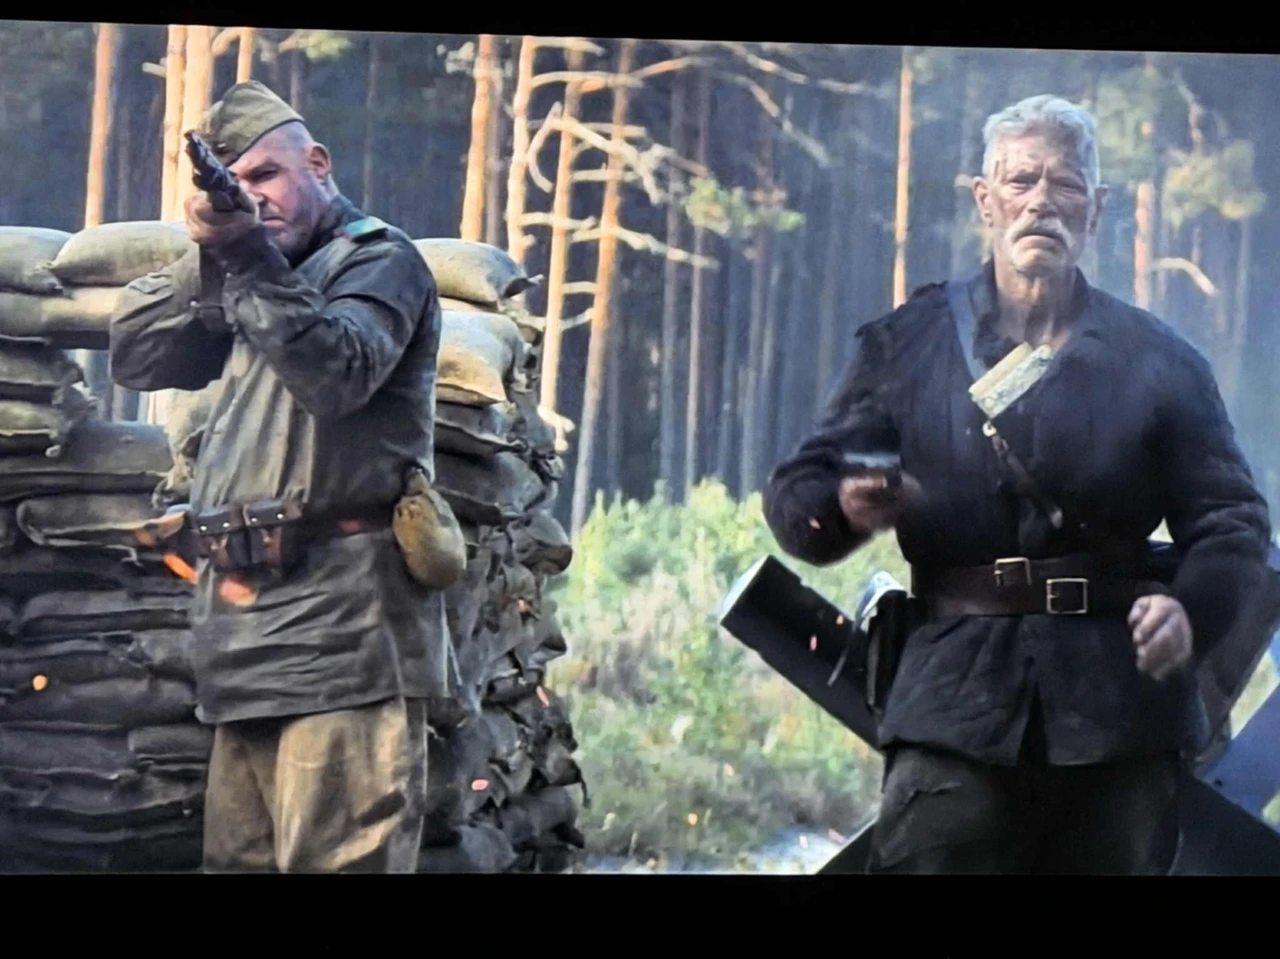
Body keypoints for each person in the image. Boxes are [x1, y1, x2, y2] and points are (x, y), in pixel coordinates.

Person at [761, 94, 1273, 874]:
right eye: (1021, 179)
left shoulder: (1161, 362)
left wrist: (1189, 610)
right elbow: (796, 493)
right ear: (985, 200)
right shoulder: (908, 346)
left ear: (1096, 209)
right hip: (952, 709)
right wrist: (843, 505)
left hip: (1119, 712)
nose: (1041, 201)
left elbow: (1233, 520)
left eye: (1065, 184)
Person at [109, 81, 445, 873]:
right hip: (241, 641)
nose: (254, 198)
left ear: (317, 164)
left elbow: (338, 370)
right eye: (235, 185)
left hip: (343, 637)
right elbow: (136, 352)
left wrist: (250, 258)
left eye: (266, 175)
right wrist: (213, 251)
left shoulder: (378, 259)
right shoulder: (244, 268)